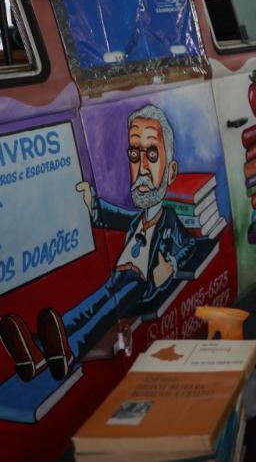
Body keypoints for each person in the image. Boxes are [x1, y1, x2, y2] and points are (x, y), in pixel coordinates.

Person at [0, 105, 193, 381]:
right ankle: (37, 348)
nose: (142, 168)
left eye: (152, 154)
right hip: (121, 274)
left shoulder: (170, 220)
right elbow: (116, 215)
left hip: (139, 281)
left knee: (102, 314)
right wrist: (92, 204)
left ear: (171, 171)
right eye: (135, 154)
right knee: (89, 306)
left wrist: (170, 266)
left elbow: (187, 246)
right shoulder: (136, 219)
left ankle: (70, 350)